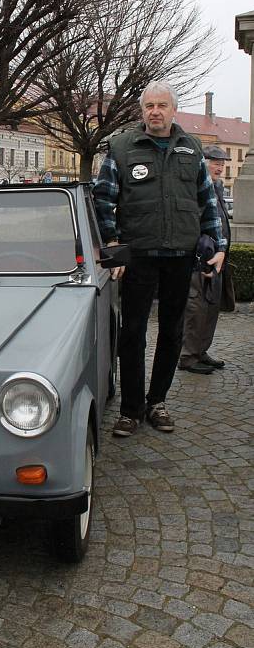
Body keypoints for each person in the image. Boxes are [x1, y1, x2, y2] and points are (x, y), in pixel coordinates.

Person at [94, 80, 225, 437]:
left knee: (172, 332)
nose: (155, 111)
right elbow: (103, 199)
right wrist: (114, 245)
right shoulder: (121, 148)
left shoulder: (192, 148)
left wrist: (220, 244)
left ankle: (157, 402)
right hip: (138, 255)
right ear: (142, 111)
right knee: (133, 332)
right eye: (149, 105)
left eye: (161, 105)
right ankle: (130, 409)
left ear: (172, 110)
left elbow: (207, 202)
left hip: (180, 256)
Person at [178, 145, 234, 374]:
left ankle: (201, 351)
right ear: (203, 163)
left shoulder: (217, 188)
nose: (220, 167)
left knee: (210, 310)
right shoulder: (198, 189)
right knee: (196, 309)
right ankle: (188, 356)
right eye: (215, 162)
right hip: (201, 260)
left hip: (217, 259)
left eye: (222, 163)